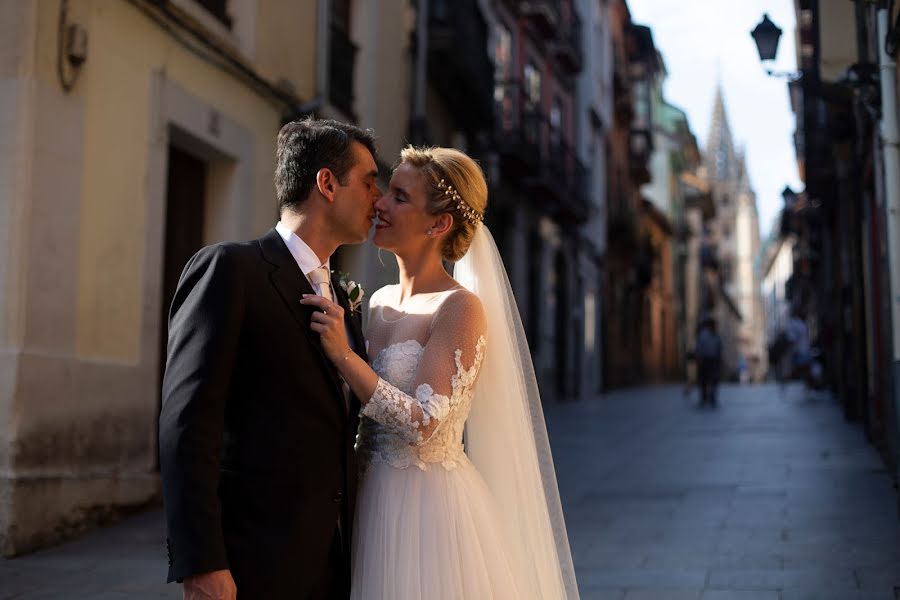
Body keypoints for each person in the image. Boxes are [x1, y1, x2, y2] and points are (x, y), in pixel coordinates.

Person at [301, 146, 579, 599]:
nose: (381, 204)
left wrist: (342, 355)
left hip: (423, 512)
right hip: (365, 498)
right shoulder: (376, 301)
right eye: (387, 192)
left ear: (439, 224)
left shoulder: (459, 308)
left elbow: (424, 424)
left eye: (399, 197)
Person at [158, 117, 380, 599]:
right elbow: (187, 425)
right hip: (251, 564)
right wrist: (202, 562)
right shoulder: (231, 270)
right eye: (368, 182)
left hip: (336, 564)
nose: (378, 198)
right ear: (326, 183)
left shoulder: (344, 297)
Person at [695, 316, 723, 407]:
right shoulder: (706, 335)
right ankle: (706, 397)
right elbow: (699, 348)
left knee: (710, 380)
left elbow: (719, 348)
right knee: (706, 380)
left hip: (711, 360)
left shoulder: (714, 335)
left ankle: (709, 397)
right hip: (707, 360)